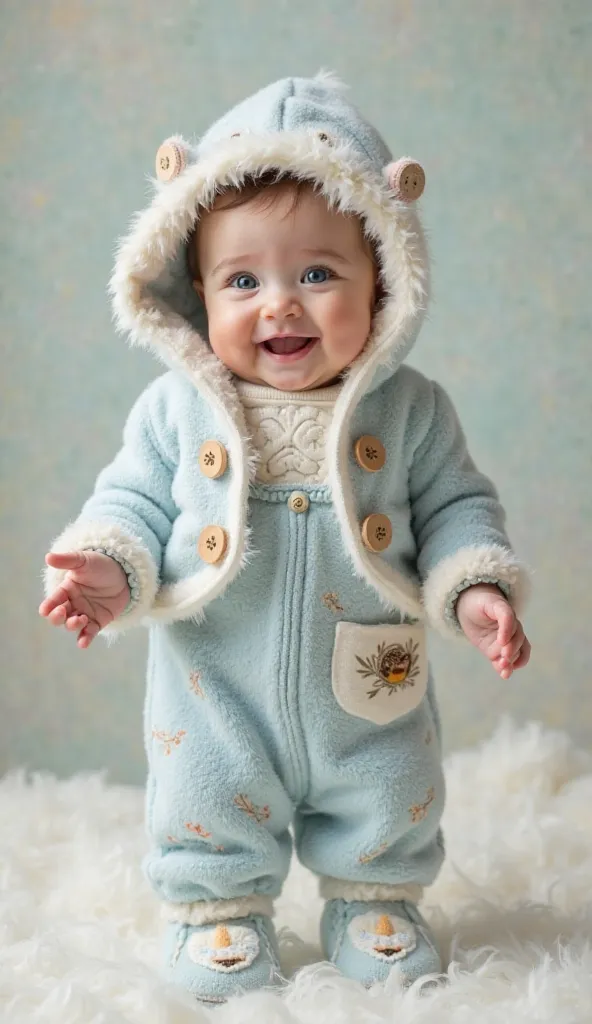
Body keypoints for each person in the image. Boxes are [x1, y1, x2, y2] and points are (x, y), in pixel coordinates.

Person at [39, 73, 531, 1004]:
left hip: (368, 670)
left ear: (382, 275)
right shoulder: (178, 408)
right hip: (215, 677)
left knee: (390, 775)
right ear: (196, 292)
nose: (280, 305)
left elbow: (458, 506)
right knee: (204, 786)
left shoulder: (411, 409)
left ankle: (375, 896)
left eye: (317, 273)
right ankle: (220, 908)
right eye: (243, 280)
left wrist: (476, 587)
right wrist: (106, 565)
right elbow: (135, 502)